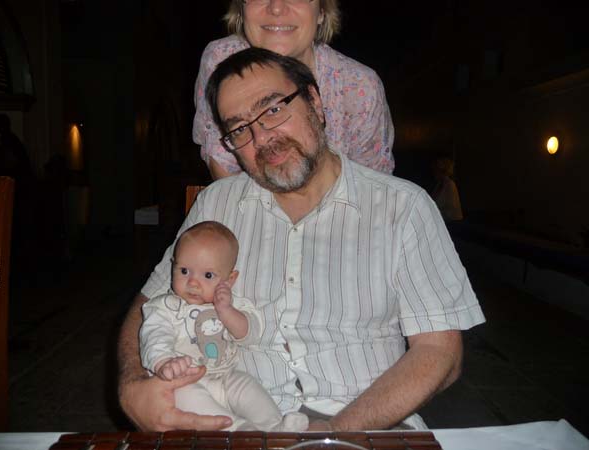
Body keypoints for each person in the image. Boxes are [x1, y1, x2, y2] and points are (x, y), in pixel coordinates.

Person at [118, 48, 485, 432]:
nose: (262, 138)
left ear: (315, 102)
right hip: (240, 421)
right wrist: (131, 386)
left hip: (371, 423)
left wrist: (334, 434)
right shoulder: (216, 205)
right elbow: (149, 303)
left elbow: (440, 353)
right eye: (239, 129)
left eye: (273, 109)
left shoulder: (403, 206)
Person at [193, 0, 395, 180]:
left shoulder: (358, 87)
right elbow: (225, 168)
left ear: (322, 11)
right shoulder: (222, 63)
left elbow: (373, 187)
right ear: (241, 9)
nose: (276, 8)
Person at [139, 221, 308, 431]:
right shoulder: (164, 307)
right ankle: (240, 430)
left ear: (229, 279)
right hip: (185, 381)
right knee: (189, 399)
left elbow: (250, 333)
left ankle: (275, 427)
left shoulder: (229, 304)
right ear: (172, 266)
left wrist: (227, 311)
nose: (193, 283)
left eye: (208, 275)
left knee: (249, 388)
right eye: (184, 271)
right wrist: (164, 362)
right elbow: (154, 336)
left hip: (226, 376)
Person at [431, 156, 463, 223]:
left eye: (435, 170)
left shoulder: (450, 185)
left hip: (452, 222)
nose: (433, 173)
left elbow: (451, 209)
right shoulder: (439, 184)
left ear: (441, 171)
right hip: (442, 220)